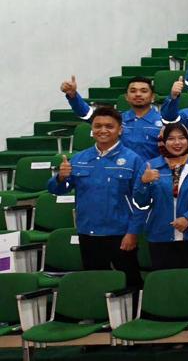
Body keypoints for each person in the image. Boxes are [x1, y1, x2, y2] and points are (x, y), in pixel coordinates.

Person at [48, 106, 148, 288]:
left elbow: (142, 202)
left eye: (109, 126)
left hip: (120, 234)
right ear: (92, 129)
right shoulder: (79, 159)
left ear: (120, 130)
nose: (103, 130)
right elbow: (58, 190)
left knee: (130, 283)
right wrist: (61, 177)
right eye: (98, 126)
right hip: (88, 232)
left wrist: (133, 233)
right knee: (95, 283)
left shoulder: (133, 160)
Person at [134, 122, 188, 270]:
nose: (177, 143)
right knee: (164, 280)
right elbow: (141, 203)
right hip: (160, 235)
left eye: (181, 138)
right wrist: (143, 183)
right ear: (163, 142)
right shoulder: (150, 166)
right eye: (171, 139)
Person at [62, 75, 165, 159]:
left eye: (144, 91)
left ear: (152, 97)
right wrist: (73, 96)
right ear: (126, 97)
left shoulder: (163, 122)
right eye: (133, 91)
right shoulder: (116, 119)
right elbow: (87, 114)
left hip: (152, 173)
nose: (138, 94)